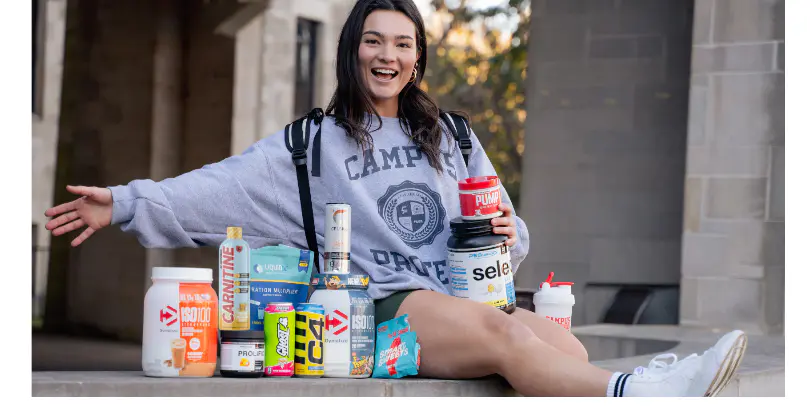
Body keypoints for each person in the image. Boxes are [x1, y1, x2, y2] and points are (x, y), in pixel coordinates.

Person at [45, 0, 746, 397]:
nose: (389, 55)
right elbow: (216, 187)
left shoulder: (453, 135)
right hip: (375, 305)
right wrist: (124, 203)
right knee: (510, 337)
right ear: (353, 49)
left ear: (418, 58)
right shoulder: (310, 145)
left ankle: (640, 386)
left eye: (404, 44)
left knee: (561, 341)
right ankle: (646, 392)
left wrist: (508, 229)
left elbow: (507, 230)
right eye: (375, 41)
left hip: (462, 296)